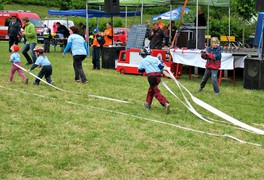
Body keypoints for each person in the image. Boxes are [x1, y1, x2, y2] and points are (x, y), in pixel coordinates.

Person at [138, 47, 170, 114]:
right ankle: (147, 104)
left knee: (156, 92)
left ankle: (165, 103)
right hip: (158, 77)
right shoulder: (155, 58)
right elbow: (161, 66)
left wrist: (146, 68)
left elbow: (139, 70)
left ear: (143, 54)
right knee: (151, 89)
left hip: (151, 77)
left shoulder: (143, 61)